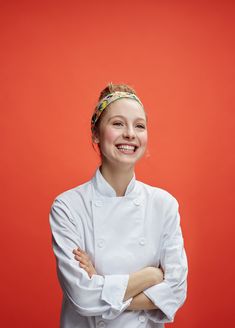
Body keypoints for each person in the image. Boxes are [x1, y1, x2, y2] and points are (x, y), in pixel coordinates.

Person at [49, 83, 188, 328]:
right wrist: (150, 277)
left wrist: (101, 283)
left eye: (139, 126)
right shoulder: (68, 207)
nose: (130, 134)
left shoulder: (164, 205)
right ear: (95, 133)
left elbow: (176, 292)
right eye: (117, 123)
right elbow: (82, 297)